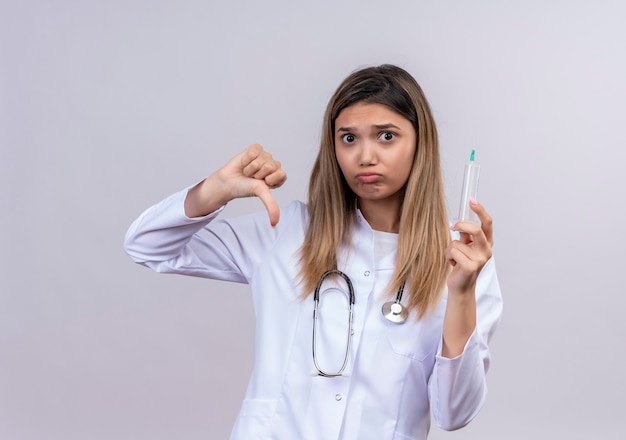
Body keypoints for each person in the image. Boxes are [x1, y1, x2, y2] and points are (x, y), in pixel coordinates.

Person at [124, 64, 502, 440]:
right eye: (349, 138)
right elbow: (146, 245)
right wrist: (216, 189)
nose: (365, 156)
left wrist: (463, 293)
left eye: (386, 136)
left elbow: (454, 413)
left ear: (421, 143)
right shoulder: (286, 234)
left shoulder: (462, 265)